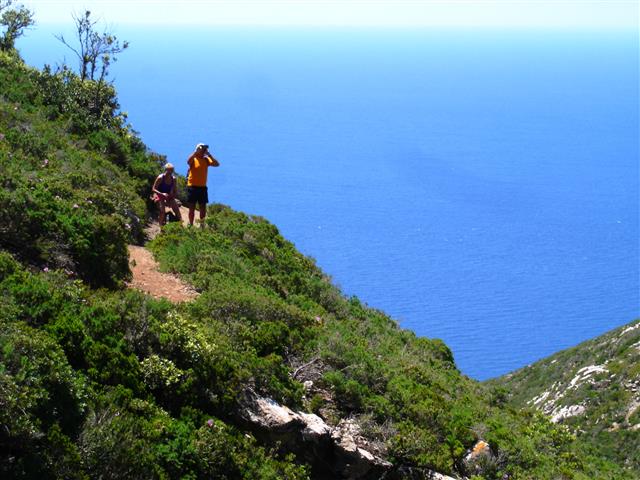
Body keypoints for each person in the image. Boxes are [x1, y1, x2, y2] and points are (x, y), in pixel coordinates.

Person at [186, 143, 219, 227]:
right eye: (202, 149)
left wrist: (209, 155)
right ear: (197, 149)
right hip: (192, 186)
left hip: (202, 187)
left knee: (203, 208)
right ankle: (191, 224)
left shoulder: (206, 160)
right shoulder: (194, 159)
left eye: (205, 149)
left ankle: (202, 225)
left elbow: (217, 164)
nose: (204, 151)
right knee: (192, 208)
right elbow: (188, 161)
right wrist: (195, 152)